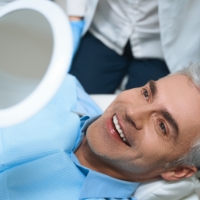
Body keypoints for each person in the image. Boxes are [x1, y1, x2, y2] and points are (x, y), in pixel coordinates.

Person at [1, 63, 200, 199]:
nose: (132, 112)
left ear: (177, 170)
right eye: (146, 93)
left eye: (162, 126)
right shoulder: (61, 88)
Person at [66, 0, 200, 94]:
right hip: (105, 29)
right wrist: (75, 18)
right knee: (74, 101)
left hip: (160, 47)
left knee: (143, 121)